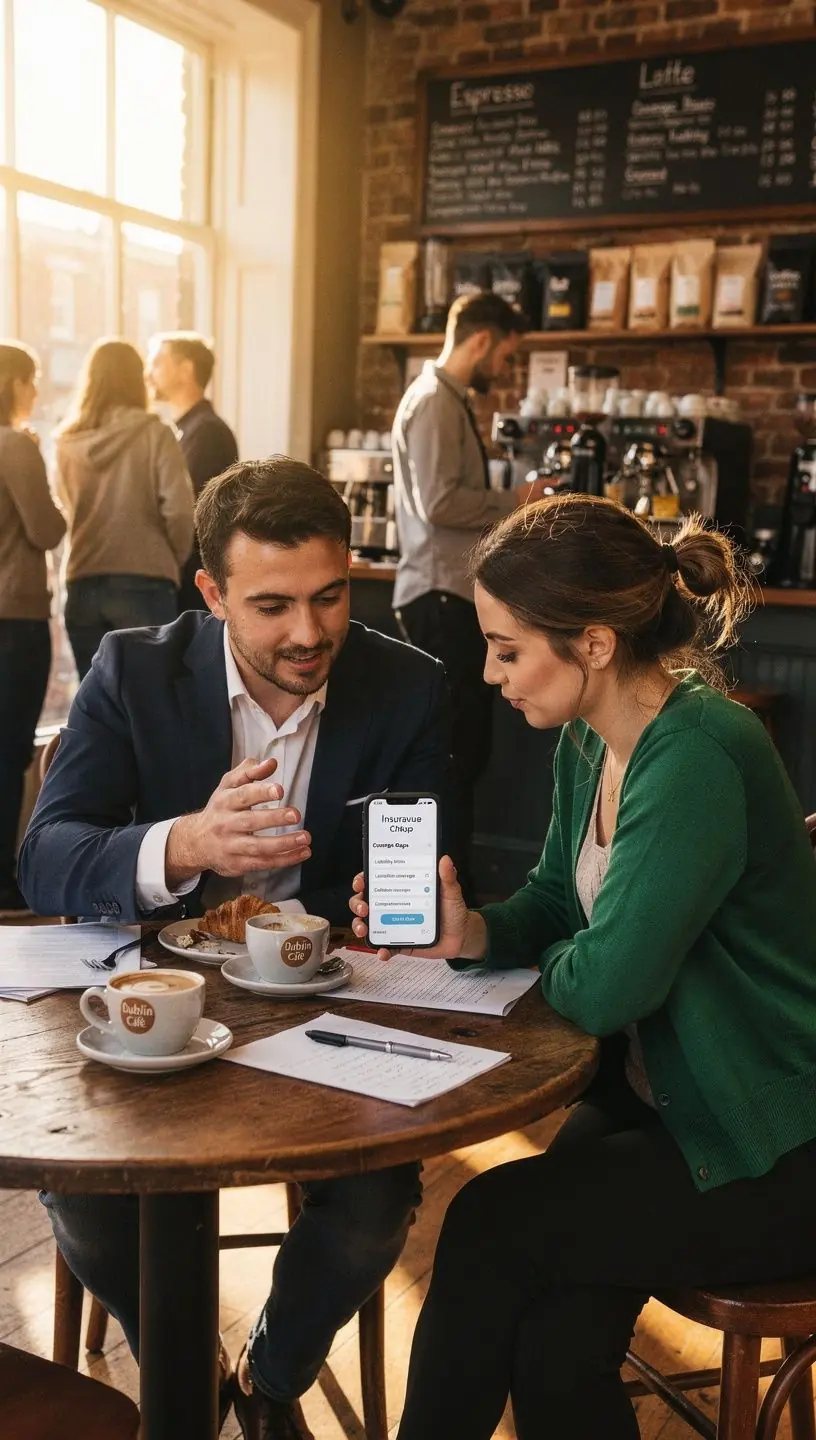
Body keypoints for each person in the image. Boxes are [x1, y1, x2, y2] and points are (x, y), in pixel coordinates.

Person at [350, 494, 816, 1440]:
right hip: (662, 1099)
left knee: (489, 1225)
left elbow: (609, 989)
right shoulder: (587, 740)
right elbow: (558, 908)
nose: (489, 674)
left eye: (507, 649)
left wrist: (578, 956)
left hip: (767, 1137)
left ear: (595, 644)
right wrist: (469, 934)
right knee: (555, 1339)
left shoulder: (697, 754)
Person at [20, 457, 451, 1440]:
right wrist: (186, 844)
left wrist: (392, 905)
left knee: (376, 1202)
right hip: (148, 1008)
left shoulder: (408, 685)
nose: (309, 632)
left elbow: (418, 874)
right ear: (211, 594)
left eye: (330, 596)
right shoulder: (131, 670)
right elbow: (45, 859)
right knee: (85, 1197)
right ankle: (186, 1369)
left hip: (324, 1005)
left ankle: (267, 1376)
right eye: (272, 605)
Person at [392, 290, 543, 899]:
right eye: (504, 356)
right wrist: (517, 500)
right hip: (440, 596)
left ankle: (445, 890)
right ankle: (443, 893)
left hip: (445, 594)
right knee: (451, 757)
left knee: (459, 754)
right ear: (481, 340)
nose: (503, 370)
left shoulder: (444, 400)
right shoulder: (434, 402)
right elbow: (438, 502)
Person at [55, 338, 195, 679]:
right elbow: (179, 510)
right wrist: (169, 558)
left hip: (83, 580)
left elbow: (66, 508)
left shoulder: (66, 442)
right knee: (150, 696)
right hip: (146, 581)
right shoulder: (156, 433)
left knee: (97, 698)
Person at [0, 342, 66, 915]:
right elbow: (46, 529)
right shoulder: (15, 445)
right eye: (31, 379)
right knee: (10, 745)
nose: (36, 391)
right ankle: (3, 882)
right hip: (14, 614)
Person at [146, 331, 238, 613]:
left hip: (195, 581)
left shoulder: (206, 432)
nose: (149, 373)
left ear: (186, 369)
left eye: (158, 363)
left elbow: (194, 510)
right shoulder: (187, 430)